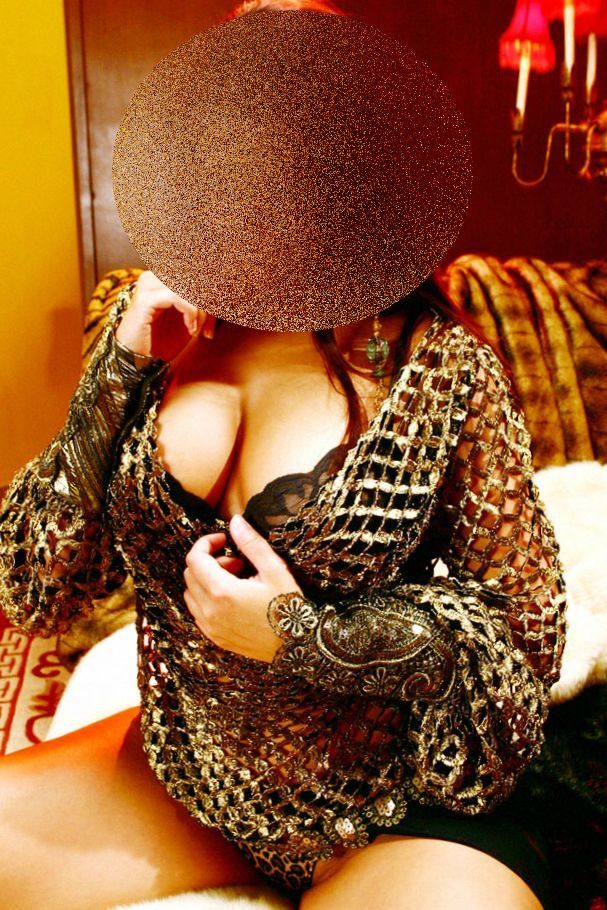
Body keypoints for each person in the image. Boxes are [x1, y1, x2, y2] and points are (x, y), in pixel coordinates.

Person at [0, 3, 567, 910]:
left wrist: (304, 637)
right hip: (191, 781)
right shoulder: (153, 331)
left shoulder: (438, 368)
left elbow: (523, 640)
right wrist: (118, 370)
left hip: (397, 806)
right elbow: (34, 587)